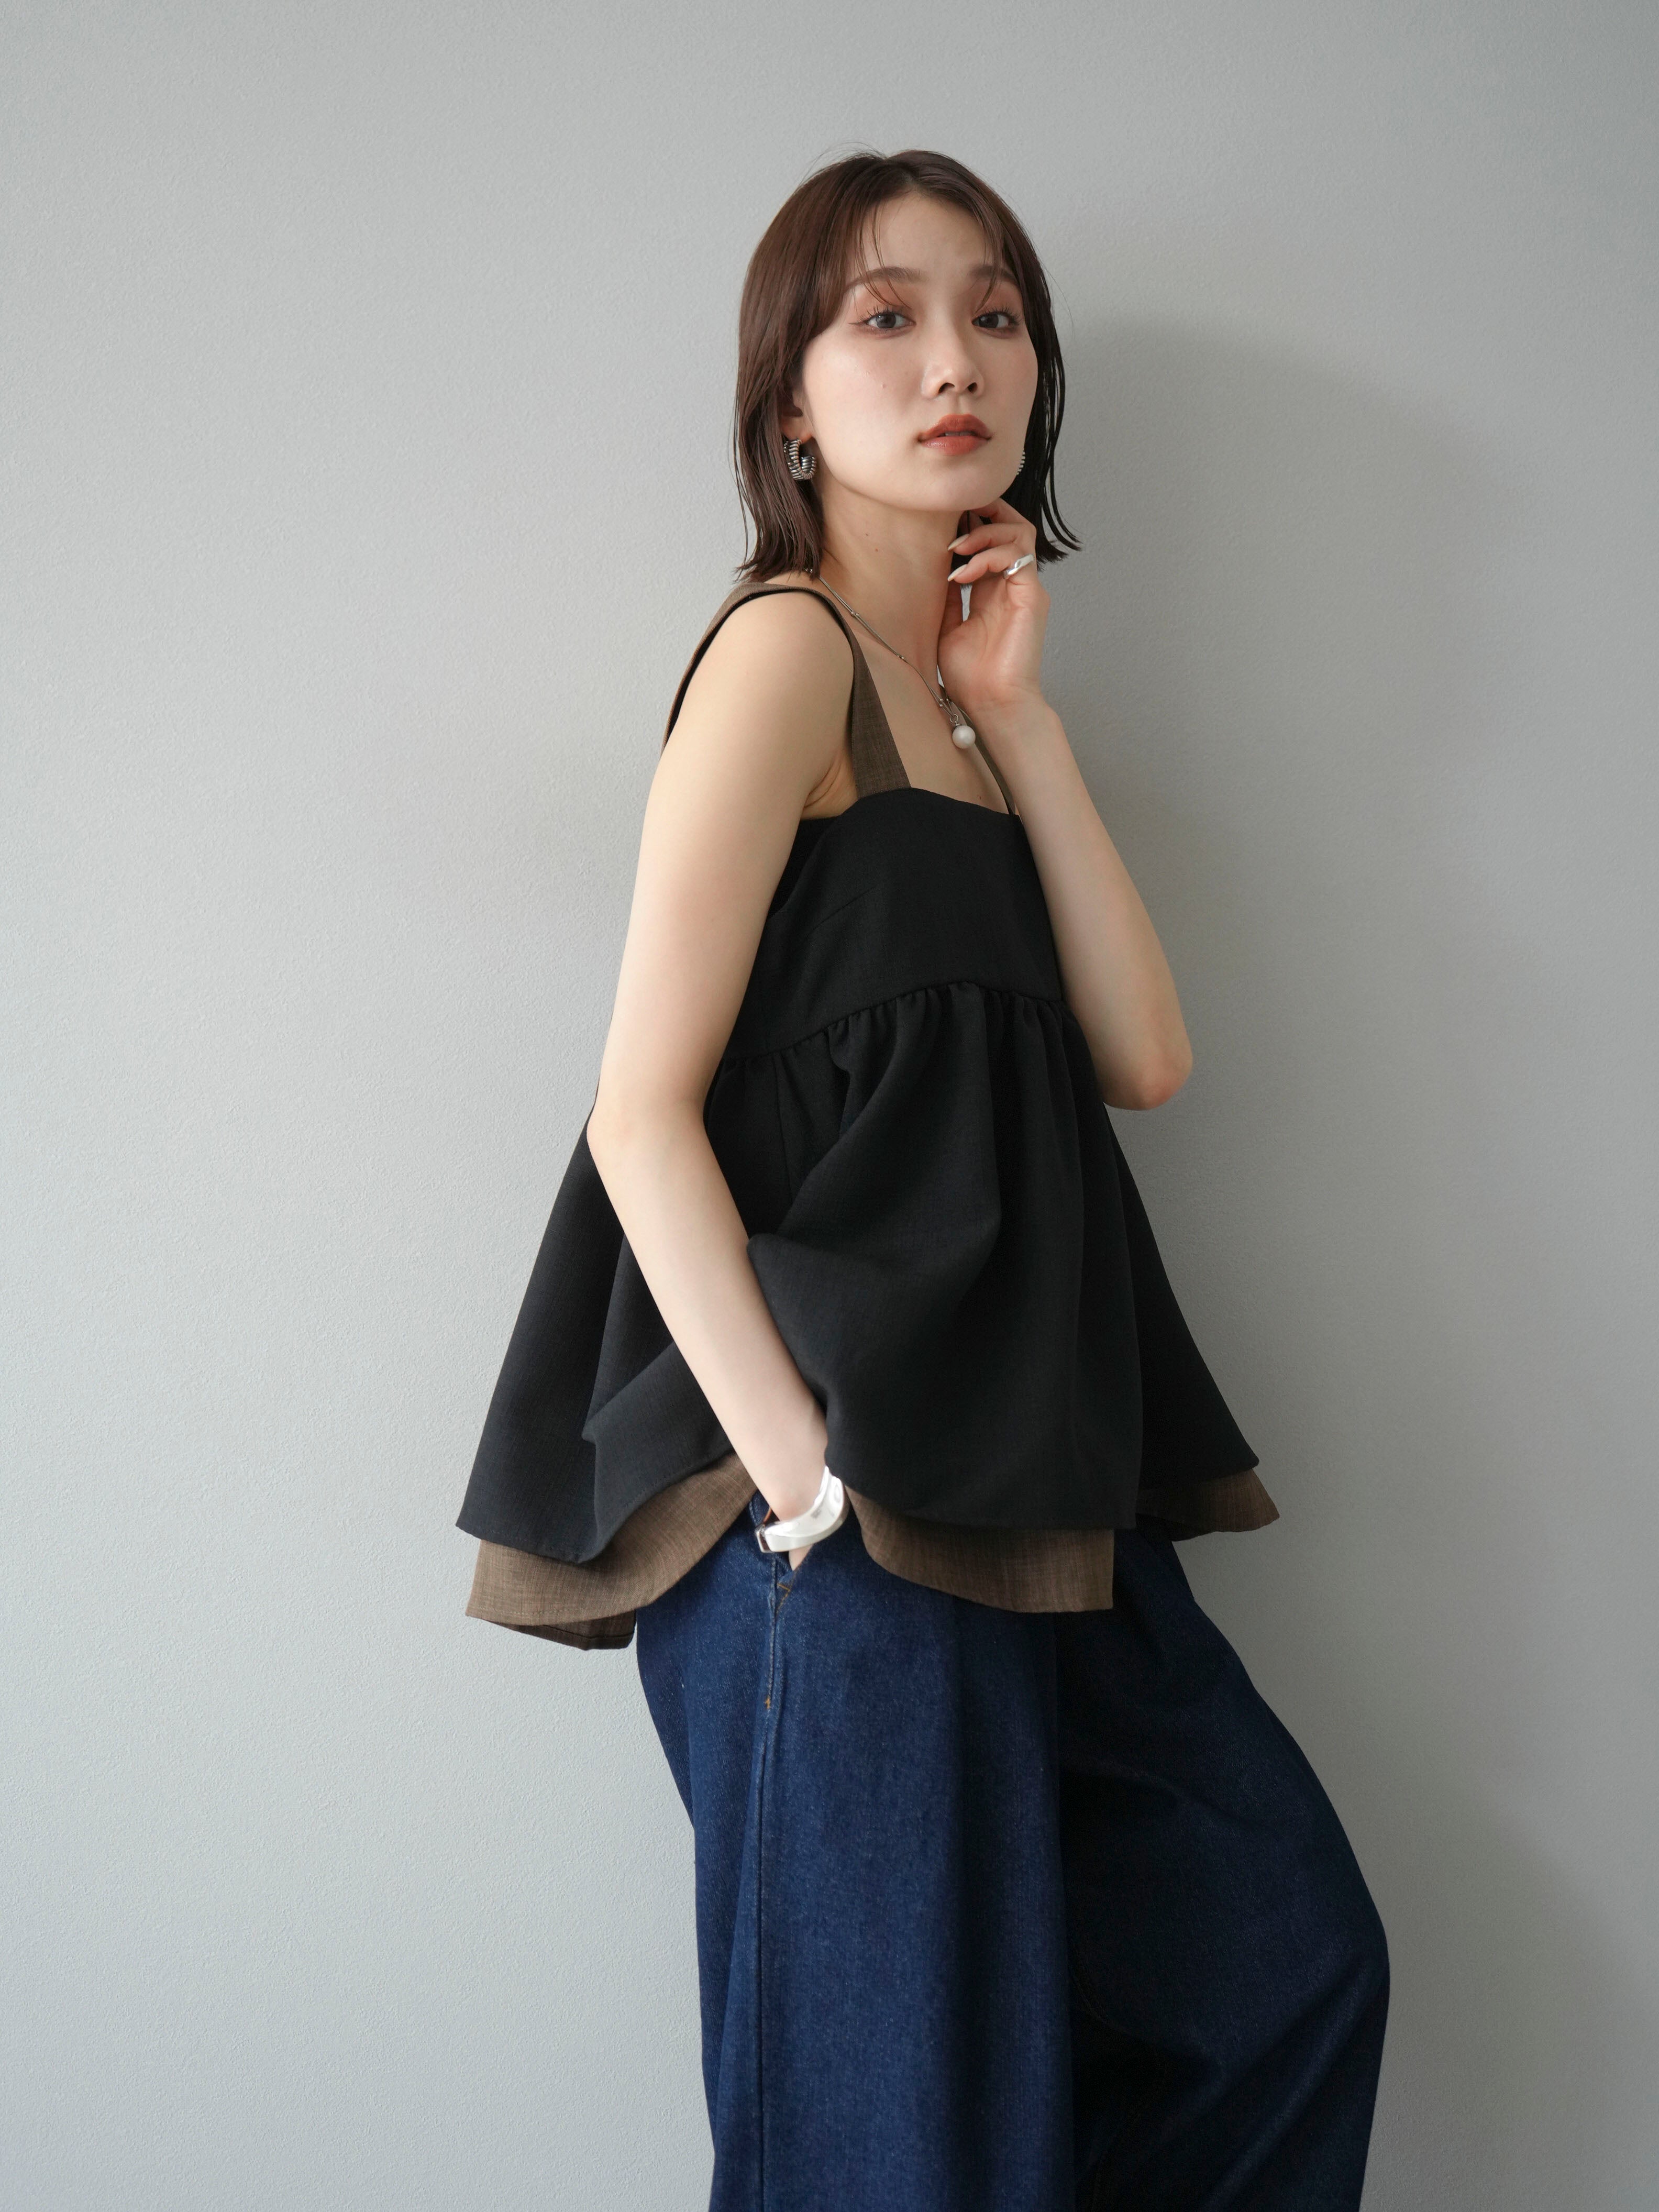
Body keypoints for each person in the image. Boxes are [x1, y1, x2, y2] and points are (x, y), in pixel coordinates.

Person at [456, 148, 1389, 2211]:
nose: (955, 357)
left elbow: (1144, 1057)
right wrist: (804, 1488)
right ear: (788, 402)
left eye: (994, 312)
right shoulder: (782, 654)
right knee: (897, 2146)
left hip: (1032, 1479)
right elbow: (637, 1111)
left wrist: (1020, 719)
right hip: (846, 1506)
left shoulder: (958, 718)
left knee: (1279, 1969)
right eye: (883, 317)